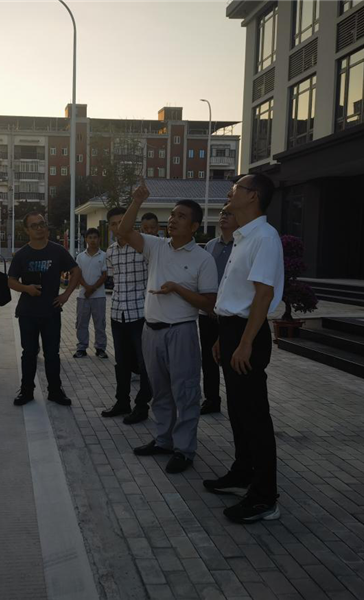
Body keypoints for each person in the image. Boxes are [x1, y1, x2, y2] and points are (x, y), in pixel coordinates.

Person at [119, 182, 218, 474]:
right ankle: (164, 440)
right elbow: (124, 231)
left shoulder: (203, 258)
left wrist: (177, 288)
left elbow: (209, 304)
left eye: (181, 216)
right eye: (172, 215)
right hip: (151, 331)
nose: (173, 220)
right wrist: (136, 202)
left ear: (195, 226)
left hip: (181, 332)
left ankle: (184, 450)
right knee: (160, 391)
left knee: (185, 392)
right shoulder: (156, 246)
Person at [204, 173, 284, 525]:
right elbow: (236, 294)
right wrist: (224, 337)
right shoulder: (242, 236)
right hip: (232, 330)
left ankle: (265, 497)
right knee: (238, 411)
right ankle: (243, 473)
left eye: (235, 189)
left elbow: (263, 295)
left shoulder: (264, 237)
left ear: (253, 196)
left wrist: (246, 342)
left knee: (254, 416)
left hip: (247, 334)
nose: (229, 193)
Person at [8, 212, 81, 406]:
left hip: (51, 312)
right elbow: (11, 281)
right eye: (34, 226)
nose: (39, 228)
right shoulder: (22, 254)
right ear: (27, 230)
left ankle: (55, 391)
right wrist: (27, 289)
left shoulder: (57, 251)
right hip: (27, 313)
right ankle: (26, 391)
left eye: (42, 224)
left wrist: (66, 295)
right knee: (29, 353)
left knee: (52, 354)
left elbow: (76, 271)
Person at [102, 207, 153, 425]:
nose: (118, 227)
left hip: (140, 314)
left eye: (122, 222)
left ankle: (142, 406)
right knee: (121, 362)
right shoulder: (110, 251)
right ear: (110, 228)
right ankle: (122, 401)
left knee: (144, 363)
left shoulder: (143, 247)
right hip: (117, 313)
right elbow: (114, 281)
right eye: (113, 224)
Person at [199, 203, 239, 415]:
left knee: (230, 357)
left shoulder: (241, 245)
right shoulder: (210, 245)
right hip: (208, 312)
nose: (223, 216)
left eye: (229, 213)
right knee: (208, 359)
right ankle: (211, 399)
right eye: (223, 213)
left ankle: (236, 401)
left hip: (230, 313)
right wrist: (208, 305)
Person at [74, 228, 108, 359]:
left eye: (95, 237)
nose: (93, 240)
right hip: (83, 296)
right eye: (90, 237)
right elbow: (77, 274)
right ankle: (81, 348)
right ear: (86, 239)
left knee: (100, 323)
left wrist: (92, 289)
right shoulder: (80, 256)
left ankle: (100, 348)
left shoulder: (104, 255)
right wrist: (87, 288)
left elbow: (104, 275)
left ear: (99, 239)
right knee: (81, 323)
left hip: (99, 296)